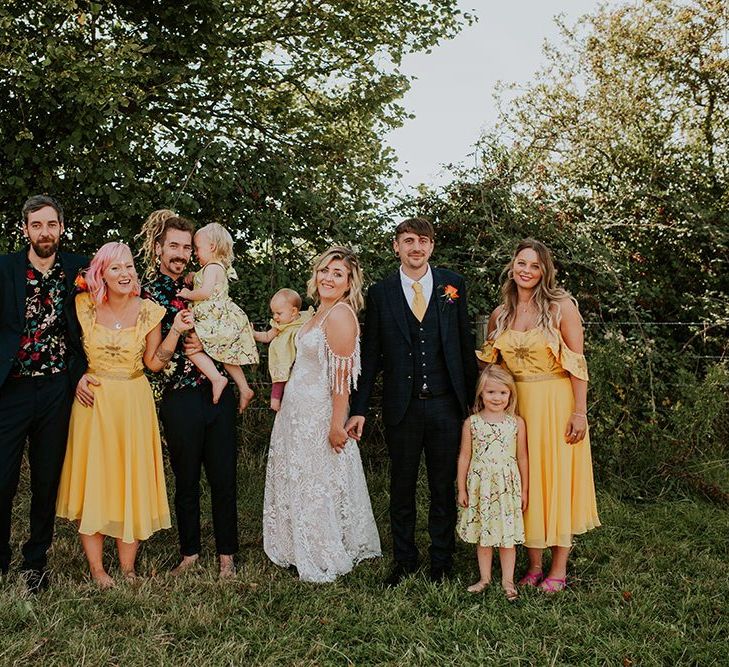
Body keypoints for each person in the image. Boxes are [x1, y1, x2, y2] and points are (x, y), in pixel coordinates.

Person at [347, 217, 478, 586]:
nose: (416, 247)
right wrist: (358, 408)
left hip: (445, 405)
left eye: (422, 241)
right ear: (396, 246)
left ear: (432, 247)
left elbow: (463, 345)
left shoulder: (453, 284)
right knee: (401, 485)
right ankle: (404, 560)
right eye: (408, 241)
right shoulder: (381, 292)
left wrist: (473, 402)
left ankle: (442, 561)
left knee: (442, 484)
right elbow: (370, 354)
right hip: (401, 406)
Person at [56, 242, 192, 588]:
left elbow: (153, 364)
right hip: (93, 404)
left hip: (133, 400)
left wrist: (175, 331)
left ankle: (128, 568)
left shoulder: (149, 311)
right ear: (100, 273)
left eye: (129, 266)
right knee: (96, 481)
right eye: (115, 267)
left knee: (129, 479)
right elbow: (70, 353)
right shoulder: (83, 306)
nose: (125, 273)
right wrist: (77, 378)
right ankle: (98, 569)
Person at [477, 238, 600, 593]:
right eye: (521, 263)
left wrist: (579, 412)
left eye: (534, 265)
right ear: (511, 267)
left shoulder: (561, 307)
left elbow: (577, 363)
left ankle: (558, 567)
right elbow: (492, 368)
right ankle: (532, 565)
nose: (526, 271)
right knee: (524, 482)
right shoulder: (501, 315)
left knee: (556, 481)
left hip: (556, 402)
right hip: (517, 408)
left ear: (545, 271)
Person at [263, 246, 381, 583]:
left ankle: (321, 547)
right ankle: (293, 544)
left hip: (319, 414)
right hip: (296, 412)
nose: (328, 278)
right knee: (299, 477)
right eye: (325, 271)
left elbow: (342, 381)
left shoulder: (341, 315)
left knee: (318, 480)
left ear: (349, 284)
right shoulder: (315, 314)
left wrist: (335, 425)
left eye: (338, 274)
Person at [139, 212, 239, 579]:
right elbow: (153, 361)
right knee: (186, 479)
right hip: (179, 395)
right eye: (174, 246)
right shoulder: (147, 293)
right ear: (159, 248)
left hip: (217, 391)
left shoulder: (205, 281)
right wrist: (178, 336)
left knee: (224, 476)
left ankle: (227, 554)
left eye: (186, 246)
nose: (181, 253)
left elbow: (229, 326)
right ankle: (190, 553)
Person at [0, 194, 88, 592]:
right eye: (37, 225)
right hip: (11, 389)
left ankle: (35, 561)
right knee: (2, 479)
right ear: (25, 230)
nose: (44, 232)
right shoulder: (4, 269)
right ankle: (0, 560)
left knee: (46, 479)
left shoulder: (77, 269)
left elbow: (120, 290)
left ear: (61, 228)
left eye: (51, 224)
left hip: (57, 388)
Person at [456, 365, 528, 601]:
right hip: (481, 487)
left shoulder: (516, 423)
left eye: (502, 393)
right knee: (483, 533)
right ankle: (484, 578)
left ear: (510, 395)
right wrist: (462, 488)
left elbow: (522, 457)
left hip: (507, 487)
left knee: (507, 537)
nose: (496, 398)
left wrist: (525, 489)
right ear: (481, 394)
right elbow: (465, 456)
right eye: (491, 393)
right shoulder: (472, 423)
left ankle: (508, 581)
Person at [176, 223, 258, 412]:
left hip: (212, 317)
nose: (195, 253)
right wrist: (193, 275)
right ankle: (244, 388)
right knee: (225, 354)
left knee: (191, 348)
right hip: (219, 317)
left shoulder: (212, 267)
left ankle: (217, 378)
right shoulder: (212, 268)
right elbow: (204, 281)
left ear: (211, 247)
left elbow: (205, 292)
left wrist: (188, 293)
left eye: (197, 248)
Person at [253, 288, 313, 411]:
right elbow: (267, 336)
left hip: (302, 362)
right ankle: (275, 399)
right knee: (280, 374)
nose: (275, 317)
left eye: (279, 313)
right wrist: (253, 333)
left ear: (294, 311)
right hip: (284, 356)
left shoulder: (306, 320)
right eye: (273, 313)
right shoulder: (278, 327)